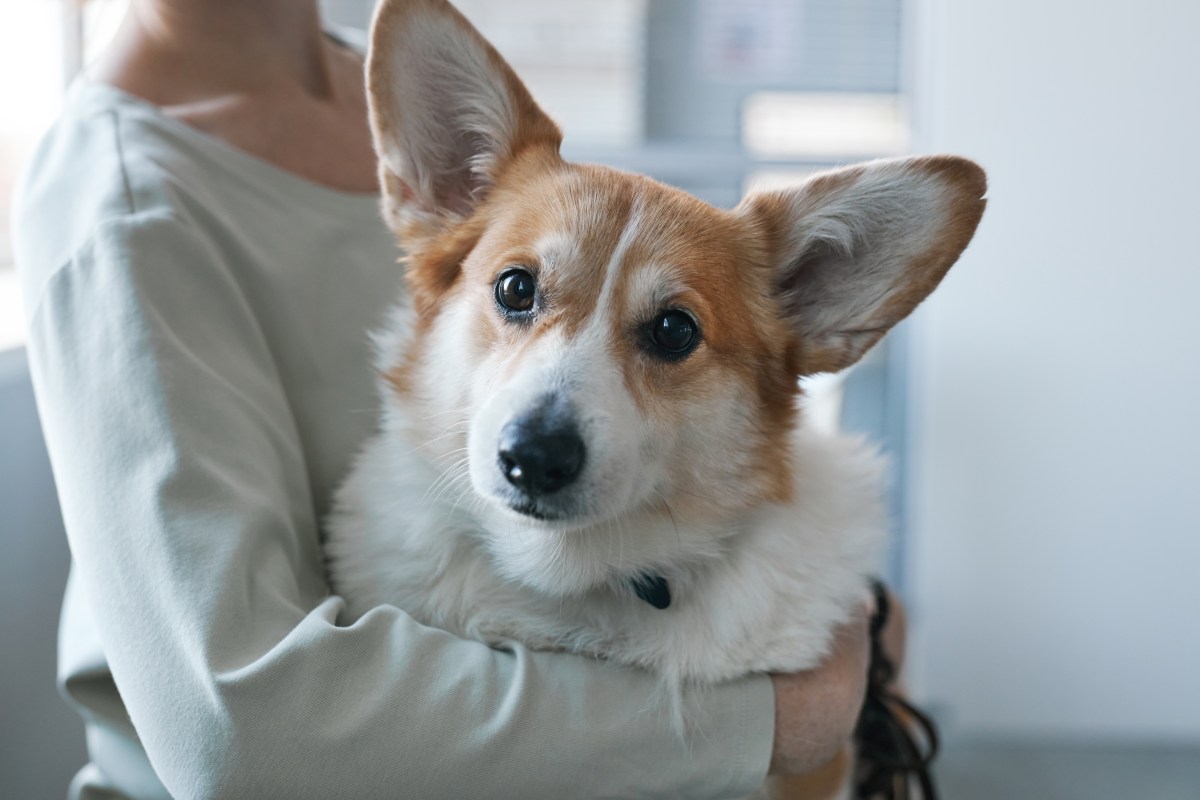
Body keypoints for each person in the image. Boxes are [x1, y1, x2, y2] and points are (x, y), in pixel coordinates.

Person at [15, 1, 889, 797]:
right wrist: (769, 720)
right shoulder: (122, 200)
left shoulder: (412, 88)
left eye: (667, 335)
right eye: (517, 294)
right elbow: (236, 731)